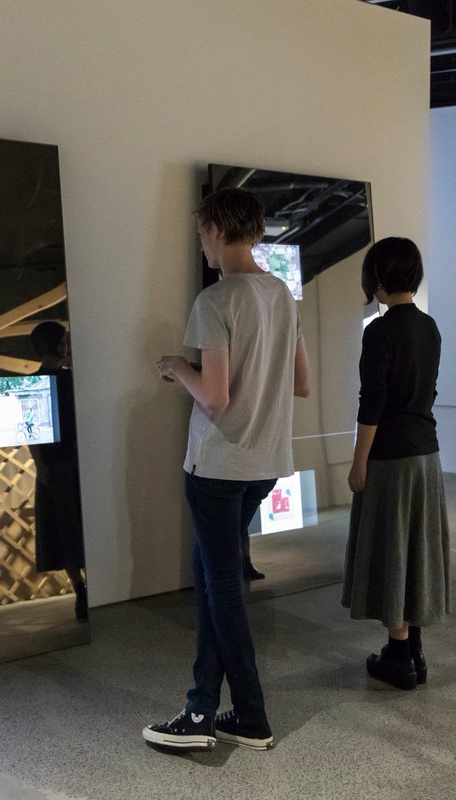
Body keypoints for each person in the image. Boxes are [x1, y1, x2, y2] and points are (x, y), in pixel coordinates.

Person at [143, 188, 310, 753]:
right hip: (265, 463)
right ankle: (201, 706)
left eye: (201, 234)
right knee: (214, 576)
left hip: (217, 465)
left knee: (222, 590)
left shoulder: (215, 300)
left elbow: (214, 397)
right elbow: (302, 383)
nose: (201, 245)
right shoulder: (281, 294)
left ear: (216, 229)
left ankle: (250, 716)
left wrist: (177, 367)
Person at [342, 236, 449, 691]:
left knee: (393, 549)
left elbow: (373, 403)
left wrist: (358, 461)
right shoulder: (429, 327)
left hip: (391, 459)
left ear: (378, 278)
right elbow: (428, 391)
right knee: (416, 548)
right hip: (427, 456)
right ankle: (414, 651)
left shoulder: (379, 331)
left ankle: (400, 654)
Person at [29, 320, 89, 620]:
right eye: (64, 340)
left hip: (54, 463)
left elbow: (30, 431)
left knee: (65, 529)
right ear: (57, 344)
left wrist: (39, 464)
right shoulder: (74, 379)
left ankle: (80, 589)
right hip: (74, 461)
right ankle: (85, 589)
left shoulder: (35, 382)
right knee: (78, 526)